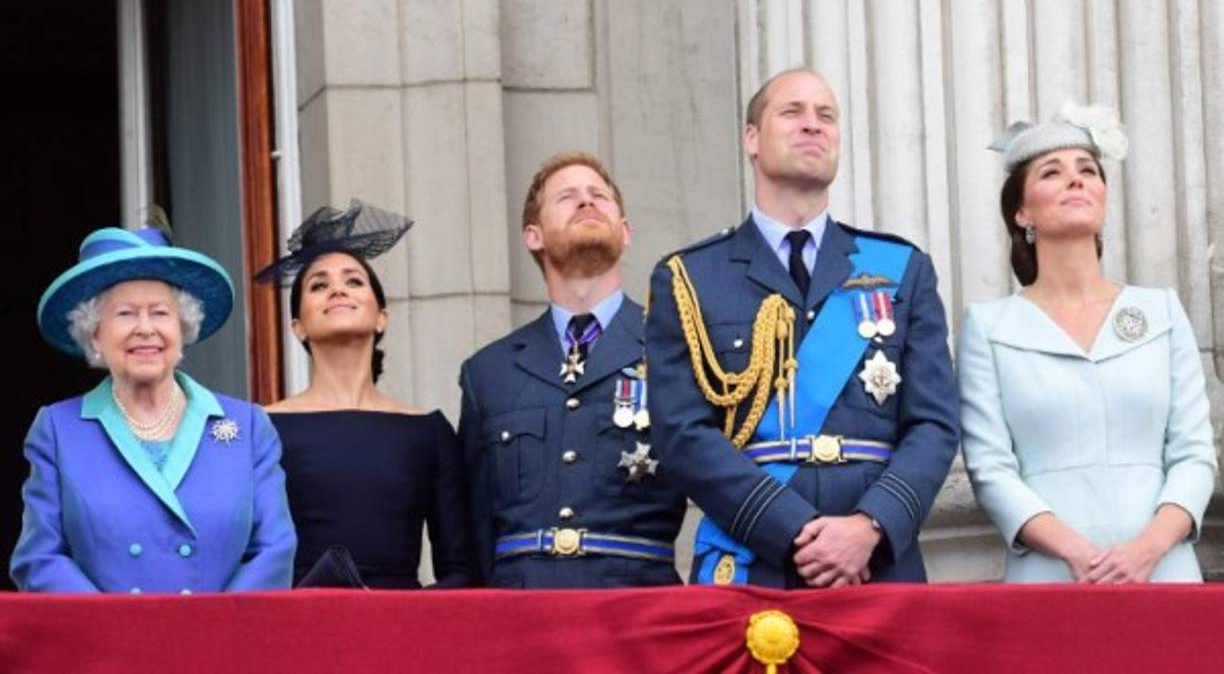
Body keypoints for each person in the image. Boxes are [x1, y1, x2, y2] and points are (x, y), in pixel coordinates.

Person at [645, 69, 960, 588]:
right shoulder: (690, 277)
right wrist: (795, 529)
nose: (813, 125)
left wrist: (869, 526)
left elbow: (934, 425)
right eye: (792, 112)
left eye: (827, 116)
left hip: (876, 564)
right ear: (751, 138)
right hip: (755, 558)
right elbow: (682, 434)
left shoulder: (902, 268)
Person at [958, 104, 1217, 583]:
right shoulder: (989, 326)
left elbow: (1194, 454)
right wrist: (1080, 555)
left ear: (1103, 196)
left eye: (1088, 170)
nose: (1075, 181)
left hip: (1163, 569)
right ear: (1022, 211)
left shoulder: (1160, 310)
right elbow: (991, 468)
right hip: (1051, 571)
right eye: (1052, 173)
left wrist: (1146, 549)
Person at [12, 222, 296, 593]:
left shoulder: (248, 426)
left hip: (220, 642)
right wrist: (119, 631)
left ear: (183, 329)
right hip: (105, 646)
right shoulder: (58, 429)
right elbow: (39, 559)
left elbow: (274, 551)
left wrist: (217, 629)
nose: (145, 328)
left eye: (160, 312)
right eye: (125, 313)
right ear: (94, 334)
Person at [458, 152, 687, 587]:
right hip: (522, 614)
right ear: (533, 235)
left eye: (598, 196)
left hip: (637, 608)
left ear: (626, 231)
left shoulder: (675, 349)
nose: (586, 202)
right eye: (567, 197)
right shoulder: (488, 372)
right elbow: (475, 528)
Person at [258, 200, 476, 589]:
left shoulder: (429, 432)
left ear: (382, 317)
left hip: (401, 633)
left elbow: (460, 569)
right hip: (296, 629)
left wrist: (409, 620)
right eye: (319, 285)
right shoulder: (262, 427)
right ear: (298, 326)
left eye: (354, 281)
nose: (337, 289)